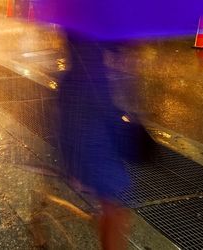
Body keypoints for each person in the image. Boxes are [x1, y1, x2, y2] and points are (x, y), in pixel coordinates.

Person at [58, 30, 132, 250]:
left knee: (111, 200)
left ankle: (106, 222)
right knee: (112, 202)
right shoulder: (90, 22)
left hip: (84, 100)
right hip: (91, 108)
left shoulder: (81, 19)